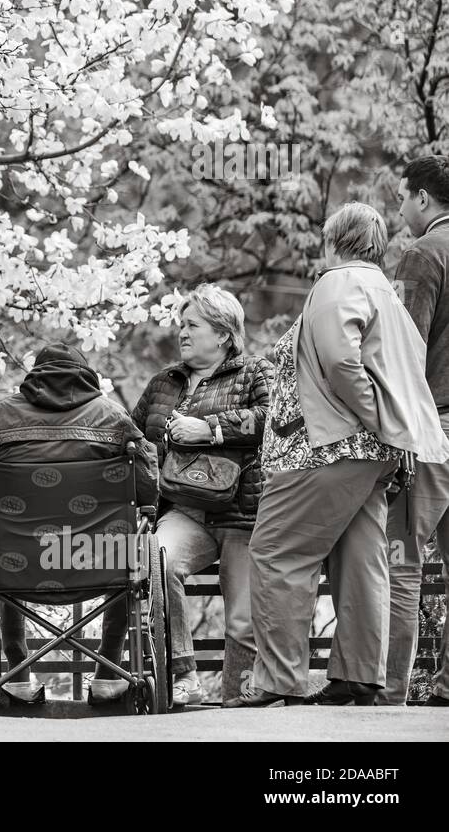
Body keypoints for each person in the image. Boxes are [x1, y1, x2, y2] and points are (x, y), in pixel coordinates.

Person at [231, 202, 449, 708]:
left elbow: (338, 361)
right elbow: (409, 368)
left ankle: (277, 679)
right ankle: (358, 675)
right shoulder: (387, 296)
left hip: (324, 448)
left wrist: (379, 420)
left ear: (333, 239)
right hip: (373, 455)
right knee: (361, 557)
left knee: (277, 552)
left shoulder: (337, 282)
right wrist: (396, 433)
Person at [0, 343, 159, 704]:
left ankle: (17, 673)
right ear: (87, 376)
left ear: (34, 376)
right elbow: (145, 491)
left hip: (20, 561)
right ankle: (109, 674)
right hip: (97, 559)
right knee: (124, 541)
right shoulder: (114, 417)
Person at [130, 284, 271, 706]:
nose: (183, 333)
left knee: (243, 619)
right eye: (181, 326)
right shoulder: (164, 383)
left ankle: (238, 704)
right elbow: (133, 436)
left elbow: (275, 419)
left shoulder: (255, 372)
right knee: (156, 561)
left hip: (242, 515)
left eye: (192, 325)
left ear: (224, 334)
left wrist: (210, 429)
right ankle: (183, 676)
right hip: (184, 512)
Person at [382, 156, 449, 706]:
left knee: (401, 559)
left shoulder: (421, 254)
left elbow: (405, 351)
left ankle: (388, 693)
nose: (400, 208)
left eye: (403, 197)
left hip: (433, 432)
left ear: (423, 199)